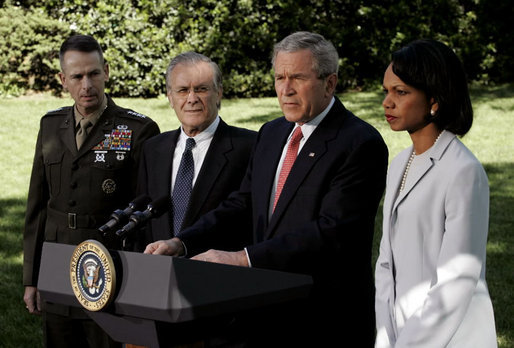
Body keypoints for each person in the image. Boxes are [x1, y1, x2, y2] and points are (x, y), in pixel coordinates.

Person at [145, 31, 388, 346]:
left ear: (330, 83)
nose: (285, 89)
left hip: (323, 319)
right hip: (263, 316)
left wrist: (244, 259)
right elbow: (242, 204)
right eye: (279, 78)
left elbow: (333, 233)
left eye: (297, 78)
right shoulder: (272, 133)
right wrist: (182, 242)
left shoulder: (360, 143)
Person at [22, 34, 160, 348]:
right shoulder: (50, 126)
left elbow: (145, 215)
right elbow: (36, 207)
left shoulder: (137, 129)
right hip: (56, 263)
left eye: (94, 73)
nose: (87, 85)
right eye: (77, 76)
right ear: (63, 79)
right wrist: (31, 278)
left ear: (106, 71)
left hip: (108, 264)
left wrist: (141, 283)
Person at [375, 39, 497, 347]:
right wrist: (385, 337)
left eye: (401, 92)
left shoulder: (463, 171)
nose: (387, 103)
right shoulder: (400, 163)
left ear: (435, 99)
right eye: (386, 91)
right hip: (399, 331)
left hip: (450, 338)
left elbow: (457, 282)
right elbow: (386, 263)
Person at [135, 51, 257, 249]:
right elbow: (145, 221)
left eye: (201, 89)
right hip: (160, 269)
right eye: (182, 90)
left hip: (217, 272)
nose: (192, 98)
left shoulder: (249, 146)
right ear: (170, 97)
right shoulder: (153, 149)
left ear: (219, 93)